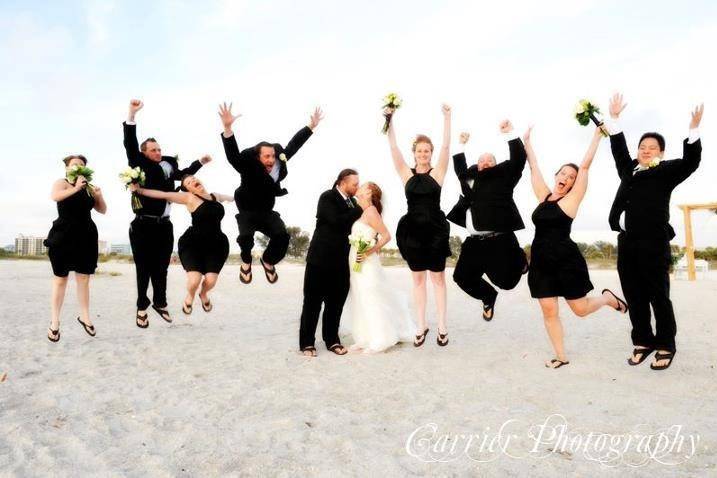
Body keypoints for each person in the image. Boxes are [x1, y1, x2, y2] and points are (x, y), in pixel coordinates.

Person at [606, 94, 703, 370]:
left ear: (660, 152)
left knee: (658, 295)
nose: (646, 150)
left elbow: (691, 162)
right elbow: (618, 149)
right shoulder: (629, 170)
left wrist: (693, 130)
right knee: (634, 294)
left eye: (652, 147)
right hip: (626, 243)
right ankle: (643, 341)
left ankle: (665, 345)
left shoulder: (666, 171)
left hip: (653, 243)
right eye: (642, 146)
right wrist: (614, 120)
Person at [524, 126, 628, 369]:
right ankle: (561, 356)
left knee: (580, 309)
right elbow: (534, 167)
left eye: (571, 177)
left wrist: (596, 135)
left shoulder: (571, 200)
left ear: (573, 184)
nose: (567, 178)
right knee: (549, 311)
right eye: (563, 174)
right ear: (557, 175)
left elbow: (584, 167)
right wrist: (527, 142)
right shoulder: (544, 197)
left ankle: (606, 298)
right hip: (540, 263)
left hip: (566, 262)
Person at [123, 99, 210, 328]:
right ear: (144, 153)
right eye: (153, 150)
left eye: (159, 149)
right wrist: (132, 115)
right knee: (144, 267)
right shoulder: (139, 162)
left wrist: (200, 162)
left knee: (162, 267)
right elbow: (130, 143)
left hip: (165, 225)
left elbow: (184, 176)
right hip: (142, 224)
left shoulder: (169, 164)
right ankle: (142, 307)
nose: (158, 152)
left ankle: (160, 303)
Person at [218, 102, 323, 284]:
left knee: (282, 236)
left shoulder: (278, 162)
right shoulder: (248, 165)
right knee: (245, 238)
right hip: (247, 209)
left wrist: (311, 127)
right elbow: (233, 156)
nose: (271, 160)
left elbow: (293, 146)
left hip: (267, 210)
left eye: (273, 156)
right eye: (266, 156)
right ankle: (245, 262)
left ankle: (267, 261)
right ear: (258, 157)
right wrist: (227, 128)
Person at [447, 120, 529, 321]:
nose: (485, 163)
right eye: (481, 161)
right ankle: (487, 295)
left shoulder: (504, 177)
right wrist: (461, 144)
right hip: (475, 243)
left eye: (489, 161)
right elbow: (459, 168)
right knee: (461, 277)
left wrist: (509, 133)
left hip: (500, 241)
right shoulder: (470, 179)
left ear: (496, 164)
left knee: (507, 282)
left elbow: (518, 159)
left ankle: (521, 259)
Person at [385, 104, 452, 347]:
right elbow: (392, 147)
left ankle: (442, 326)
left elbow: (446, 146)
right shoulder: (406, 173)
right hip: (412, 232)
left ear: (431, 153)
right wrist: (390, 119)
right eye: (420, 150)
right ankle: (421, 325)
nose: (423, 154)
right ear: (414, 153)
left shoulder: (438, 173)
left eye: (427, 150)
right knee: (418, 281)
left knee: (439, 280)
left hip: (435, 232)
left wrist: (447, 117)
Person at [130, 173, 232, 314]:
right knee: (195, 280)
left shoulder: (215, 196)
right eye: (189, 182)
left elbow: (234, 198)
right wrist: (140, 190)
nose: (194, 181)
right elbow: (163, 194)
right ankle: (190, 296)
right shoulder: (189, 198)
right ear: (188, 189)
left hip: (216, 244)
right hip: (193, 243)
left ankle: (203, 294)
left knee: (210, 281)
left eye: (194, 179)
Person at [340, 182, 416, 352]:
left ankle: (381, 339)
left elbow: (386, 236)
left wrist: (369, 251)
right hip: (355, 260)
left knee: (371, 297)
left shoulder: (371, 211)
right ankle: (364, 338)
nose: (359, 187)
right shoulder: (362, 212)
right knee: (359, 297)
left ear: (369, 193)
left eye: (364, 186)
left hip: (367, 262)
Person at [299, 169, 364, 357]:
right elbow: (336, 222)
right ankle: (307, 343)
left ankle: (332, 340)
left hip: (341, 262)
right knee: (312, 303)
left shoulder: (352, 202)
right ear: (342, 182)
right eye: (354, 184)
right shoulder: (327, 197)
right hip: (319, 260)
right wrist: (360, 209)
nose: (357, 187)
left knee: (336, 304)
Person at [45, 155, 107, 342]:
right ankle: (54, 323)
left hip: (86, 234)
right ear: (67, 169)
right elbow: (55, 196)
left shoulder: (88, 187)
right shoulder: (62, 183)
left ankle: (85, 316)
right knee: (60, 279)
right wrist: (76, 187)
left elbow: (102, 210)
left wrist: (98, 195)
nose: (79, 167)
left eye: (82, 165)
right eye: (74, 165)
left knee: (84, 278)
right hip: (63, 234)